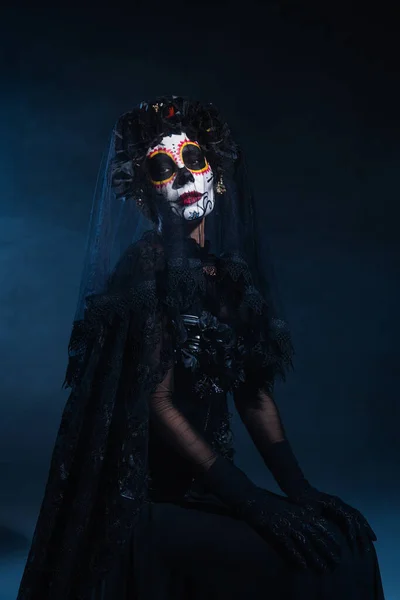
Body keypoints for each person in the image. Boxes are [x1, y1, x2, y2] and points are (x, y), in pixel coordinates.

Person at [17, 96, 385, 600]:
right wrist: (251, 500)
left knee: (349, 545)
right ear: (147, 195)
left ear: (217, 174)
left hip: (208, 488)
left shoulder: (227, 275)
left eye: (194, 160)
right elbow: (157, 401)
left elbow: (254, 394)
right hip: (148, 503)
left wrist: (300, 491)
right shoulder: (145, 271)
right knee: (313, 569)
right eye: (164, 168)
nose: (187, 178)